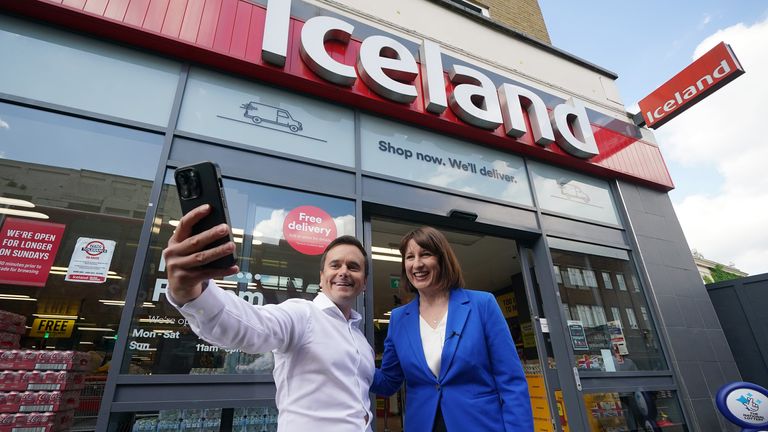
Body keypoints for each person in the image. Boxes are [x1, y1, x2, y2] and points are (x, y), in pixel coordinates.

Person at [163, 204, 374, 431]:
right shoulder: (302, 315)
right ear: (322, 279)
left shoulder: (361, 341)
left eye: (353, 267)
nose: (343, 271)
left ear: (364, 283)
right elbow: (252, 325)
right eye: (335, 265)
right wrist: (194, 292)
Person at [371, 226, 533, 431]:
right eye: (410, 257)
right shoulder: (398, 318)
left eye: (426, 254)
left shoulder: (482, 305)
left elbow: (511, 381)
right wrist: (352, 360)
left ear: (442, 259)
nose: (417, 264)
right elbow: (388, 381)